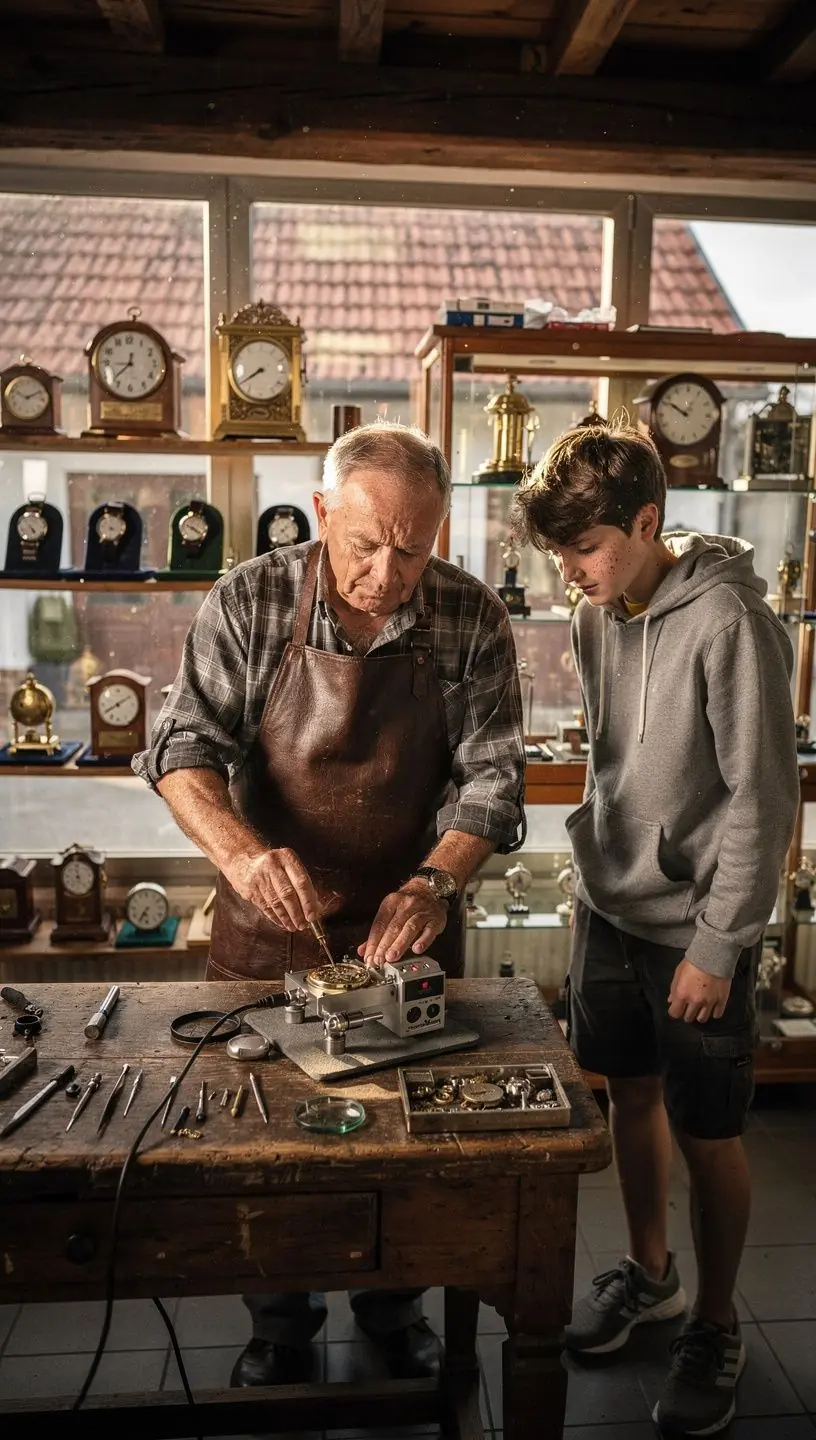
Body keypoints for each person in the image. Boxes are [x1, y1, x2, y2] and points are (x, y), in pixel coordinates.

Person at [134, 421, 525, 1389]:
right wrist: (242, 856)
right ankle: (280, 1318)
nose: (390, 572)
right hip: (267, 928)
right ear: (320, 513)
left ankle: (395, 1312)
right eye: (365, 543)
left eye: (414, 547)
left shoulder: (470, 618)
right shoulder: (253, 597)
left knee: (405, 1139)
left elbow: (493, 784)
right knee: (265, 1137)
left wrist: (436, 881)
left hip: (411, 920)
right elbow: (180, 749)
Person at [512, 422, 798, 1438]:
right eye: (559, 551)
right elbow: (613, 760)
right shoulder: (598, 614)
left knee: (710, 1128)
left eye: (586, 548)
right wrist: (593, 860)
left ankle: (715, 1325)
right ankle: (651, 1273)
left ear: (647, 522)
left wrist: (720, 948)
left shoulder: (732, 622)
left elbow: (765, 802)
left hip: (697, 925)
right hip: (609, 906)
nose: (571, 570)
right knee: (626, 1094)